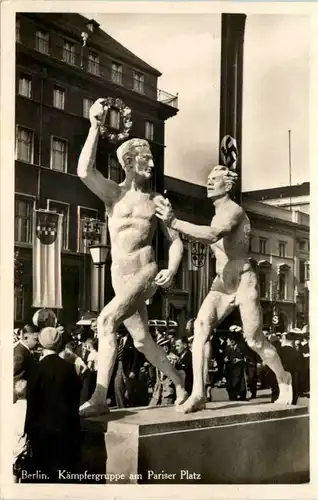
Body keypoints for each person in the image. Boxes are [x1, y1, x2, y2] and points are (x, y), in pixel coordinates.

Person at [77, 99, 187, 416]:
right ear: (129, 162)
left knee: (106, 321)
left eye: (152, 160)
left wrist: (172, 268)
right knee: (141, 341)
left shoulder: (156, 201)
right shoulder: (114, 195)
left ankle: (99, 397)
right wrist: (94, 127)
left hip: (146, 271)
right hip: (119, 276)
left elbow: (176, 241)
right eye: (146, 160)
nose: (152, 166)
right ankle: (178, 380)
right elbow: (84, 170)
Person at [155, 164, 293, 413]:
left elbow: (211, 235)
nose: (209, 183)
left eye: (215, 179)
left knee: (254, 340)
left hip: (243, 281)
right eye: (208, 179)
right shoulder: (217, 213)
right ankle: (198, 393)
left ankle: (284, 378)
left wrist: (174, 221)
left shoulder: (234, 211)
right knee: (200, 328)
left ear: (227, 185)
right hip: (221, 283)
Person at [25, 327, 81, 482]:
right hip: (65, 430)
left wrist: (28, 430)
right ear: (59, 344)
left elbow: (32, 403)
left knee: (43, 477)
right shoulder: (69, 368)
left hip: (41, 432)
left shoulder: (36, 369)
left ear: (41, 344)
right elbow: (75, 399)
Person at [13, 325, 39, 482]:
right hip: (19, 401)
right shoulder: (20, 354)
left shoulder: (22, 351)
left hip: (21, 400)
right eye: (35, 339)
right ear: (25, 336)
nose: (37, 342)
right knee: (19, 440)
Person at [114, 328, 141, 408]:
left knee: (129, 389)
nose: (118, 334)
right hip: (119, 365)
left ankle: (131, 405)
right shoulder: (118, 341)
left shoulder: (132, 340)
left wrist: (133, 370)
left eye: (119, 332)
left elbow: (136, 357)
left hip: (128, 367)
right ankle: (121, 407)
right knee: (118, 386)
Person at [149, 337, 179, 406]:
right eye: (162, 346)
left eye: (166, 345)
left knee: (165, 409)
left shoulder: (173, 358)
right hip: (157, 391)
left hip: (168, 390)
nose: (165, 348)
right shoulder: (158, 358)